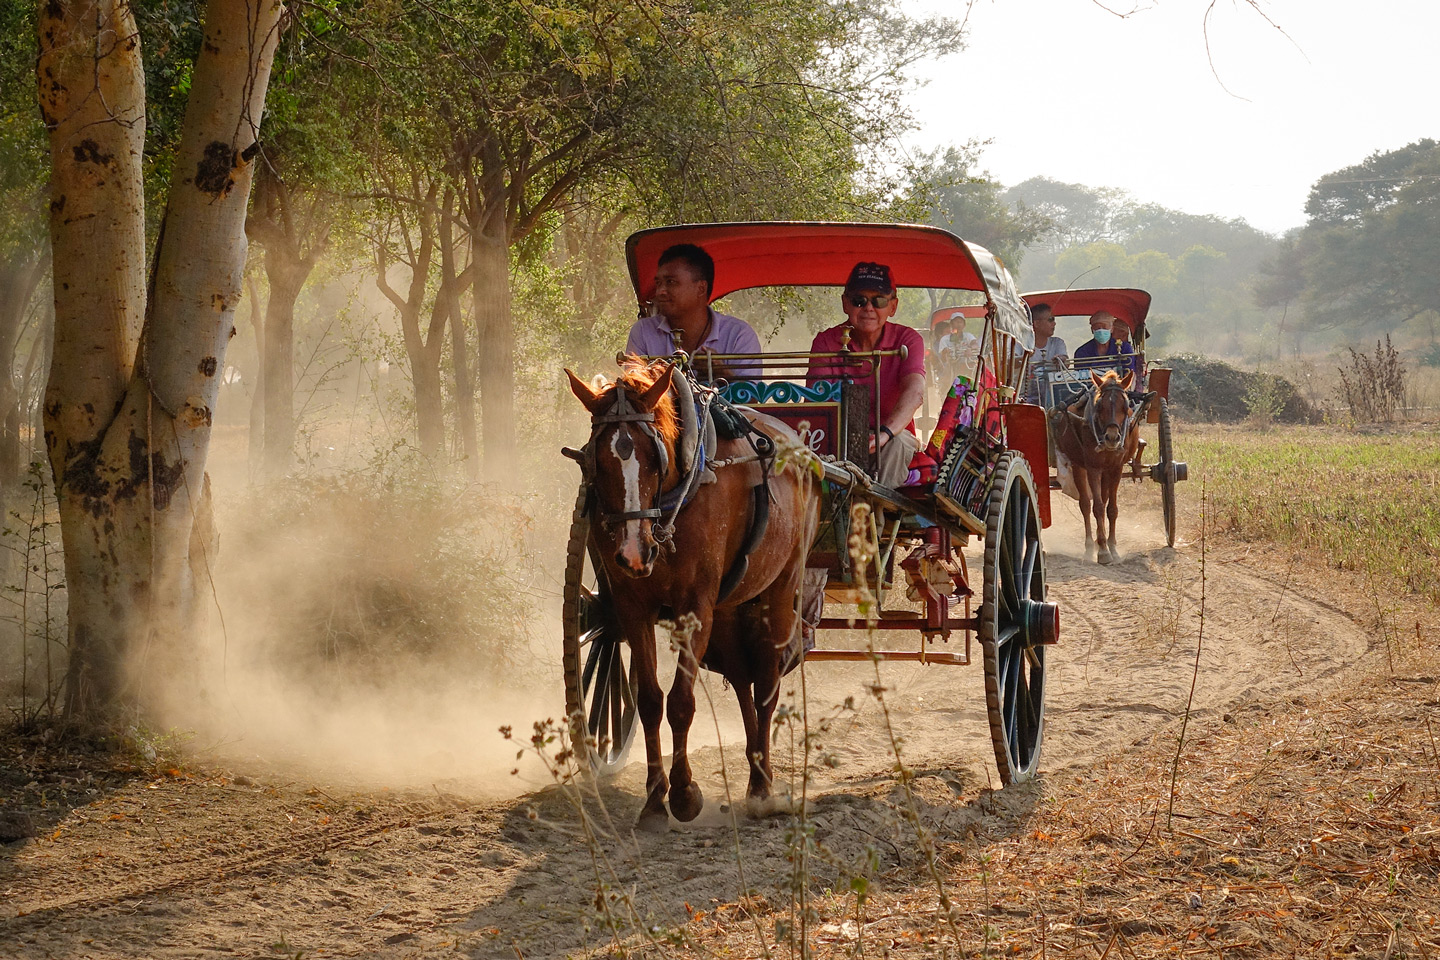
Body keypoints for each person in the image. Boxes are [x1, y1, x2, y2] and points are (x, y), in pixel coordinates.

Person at [807, 261, 925, 488]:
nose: (869, 308)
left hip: (892, 436)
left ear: (892, 306)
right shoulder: (826, 341)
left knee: (897, 444)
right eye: (859, 300)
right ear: (845, 303)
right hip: (839, 435)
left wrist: (885, 434)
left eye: (878, 300)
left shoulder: (908, 340)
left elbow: (915, 390)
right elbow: (816, 399)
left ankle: (872, 514)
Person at [625, 243, 761, 377]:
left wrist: (722, 373)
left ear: (701, 288)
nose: (660, 291)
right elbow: (633, 391)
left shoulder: (739, 335)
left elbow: (752, 398)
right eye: (658, 283)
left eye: (671, 282)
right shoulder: (643, 331)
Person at [1023, 302, 1068, 404]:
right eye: (1050, 320)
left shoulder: (1057, 343)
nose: (1054, 324)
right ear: (1037, 324)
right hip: (1026, 396)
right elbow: (1009, 363)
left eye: (1054, 320)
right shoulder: (1021, 344)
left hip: (1054, 396)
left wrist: (1061, 360)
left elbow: (1066, 362)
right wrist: (1025, 356)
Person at [1072, 310, 1135, 376]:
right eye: (1097, 328)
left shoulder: (1124, 348)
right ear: (1092, 330)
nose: (1101, 331)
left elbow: (1129, 374)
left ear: (1112, 329)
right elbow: (1080, 380)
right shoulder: (1082, 352)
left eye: (1105, 327)